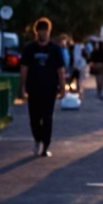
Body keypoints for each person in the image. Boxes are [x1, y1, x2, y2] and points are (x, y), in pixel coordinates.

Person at [19, 18, 66, 157]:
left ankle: (45, 145)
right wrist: (22, 87)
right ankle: (37, 139)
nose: (43, 34)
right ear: (37, 32)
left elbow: (61, 70)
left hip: (50, 89)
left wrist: (63, 88)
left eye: (45, 31)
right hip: (33, 88)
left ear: (49, 32)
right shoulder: (29, 49)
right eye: (41, 31)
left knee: (47, 117)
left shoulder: (55, 49)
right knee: (34, 117)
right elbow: (24, 69)